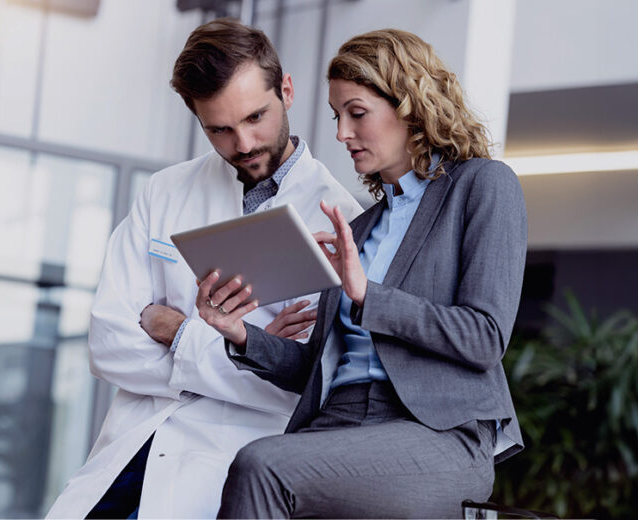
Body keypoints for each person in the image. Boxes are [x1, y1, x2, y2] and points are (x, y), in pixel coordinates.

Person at [196, 28, 528, 518]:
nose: (340, 134)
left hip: (436, 433)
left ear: (411, 105)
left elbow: (485, 337)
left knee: (262, 465)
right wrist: (239, 333)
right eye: (336, 116)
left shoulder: (481, 185)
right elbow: (318, 369)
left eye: (357, 113)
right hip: (338, 421)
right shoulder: (361, 225)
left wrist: (367, 295)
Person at [45, 18, 361, 519]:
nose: (244, 143)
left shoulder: (343, 221)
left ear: (287, 90)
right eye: (219, 129)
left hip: (224, 469)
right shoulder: (165, 192)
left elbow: (303, 389)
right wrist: (248, 350)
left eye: (256, 116)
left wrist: (173, 328)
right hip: (130, 449)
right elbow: (107, 344)